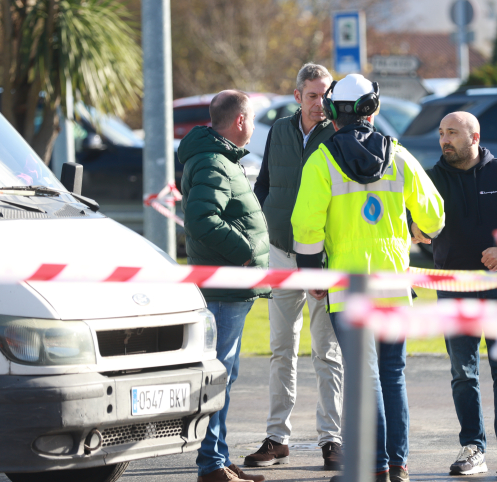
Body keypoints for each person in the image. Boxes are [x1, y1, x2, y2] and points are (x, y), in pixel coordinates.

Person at [291, 74, 446, 482]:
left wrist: (312, 275)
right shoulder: (399, 155)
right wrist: (417, 227)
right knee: (392, 375)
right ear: (372, 110)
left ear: (333, 113)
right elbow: (435, 215)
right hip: (394, 285)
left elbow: (305, 227)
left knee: (368, 376)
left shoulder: (321, 160)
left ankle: (375, 467)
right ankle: (398, 465)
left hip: (348, 290)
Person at [410, 111, 497, 478]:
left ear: (474, 137)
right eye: (442, 133)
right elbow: (416, 226)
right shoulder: (431, 178)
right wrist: (414, 227)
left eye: (453, 133)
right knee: (463, 371)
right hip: (453, 288)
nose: (445, 140)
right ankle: (473, 448)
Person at [245, 64, 344, 470]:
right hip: (282, 255)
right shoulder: (280, 131)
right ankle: (277, 437)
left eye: (326, 95)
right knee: (281, 348)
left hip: (323, 259)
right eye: (313, 96)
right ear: (298, 95)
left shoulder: (339, 134)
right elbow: (264, 184)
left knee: (327, 351)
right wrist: (265, 229)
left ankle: (332, 440)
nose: (320, 104)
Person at [179, 90, 270, 482]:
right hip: (223, 288)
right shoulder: (214, 162)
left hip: (230, 287)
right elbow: (202, 219)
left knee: (224, 376)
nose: (252, 126)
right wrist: (246, 251)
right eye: (250, 119)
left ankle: (218, 457)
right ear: (239, 121)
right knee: (219, 376)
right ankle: (211, 464)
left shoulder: (220, 158)